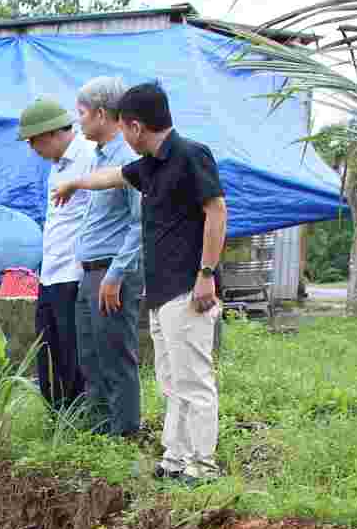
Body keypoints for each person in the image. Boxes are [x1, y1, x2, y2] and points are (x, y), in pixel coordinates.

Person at [54, 81, 227, 483]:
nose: (122, 136)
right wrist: (75, 183)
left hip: (188, 287)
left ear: (134, 126)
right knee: (170, 380)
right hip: (160, 291)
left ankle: (203, 465)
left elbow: (217, 211)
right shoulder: (150, 165)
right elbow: (112, 177)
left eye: (123, 127)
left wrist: (206, 274)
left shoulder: (191, 154)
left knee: (194, 379)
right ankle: (175, 457)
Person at [69, 76, 145, 439]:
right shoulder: (100, 158)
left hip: (112, 270)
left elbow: (140, 223)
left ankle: (124, 436)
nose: (78, 121)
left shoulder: (128, 159)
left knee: (115, 356)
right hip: (91, 271)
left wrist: (116, 274)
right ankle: (98, 435)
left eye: (81, 113)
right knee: (92, 357)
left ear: (101, 114)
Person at [17, 97, 96, 412]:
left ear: (51, 133)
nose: (32, 148)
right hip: (51, 272)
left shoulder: (89, 156)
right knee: (49, 348)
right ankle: (58, 414)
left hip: (74, 271)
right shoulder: (57, 167)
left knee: (73, 349)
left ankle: (79, 415)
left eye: (33, 141)